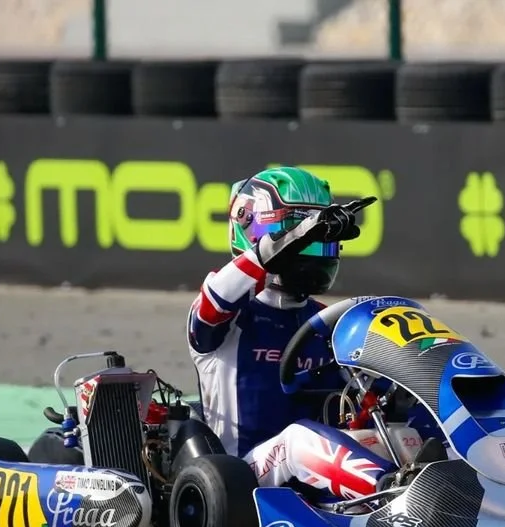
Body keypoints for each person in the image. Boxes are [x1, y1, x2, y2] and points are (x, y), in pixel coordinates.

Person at [186, 167, 441, 503]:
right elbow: (217, 298)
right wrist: (296, 236)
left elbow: (381, 393)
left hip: (322, 470)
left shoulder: (326, 321)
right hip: (243, 479)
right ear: (250, 229)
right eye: (305, 237)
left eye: (323, 239)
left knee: (413, 419)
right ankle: (397, 493)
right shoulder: (225, 318)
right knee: (299, 439)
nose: (312, 251)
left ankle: (469, 484)